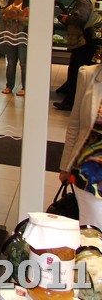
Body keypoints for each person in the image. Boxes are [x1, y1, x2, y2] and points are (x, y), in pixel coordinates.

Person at [59, 63, 102, 227]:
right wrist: (65, 166)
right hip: (89, 173)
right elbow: (75, 124)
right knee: (92, 233)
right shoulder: (89, 74)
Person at [54, 0, 100, 111]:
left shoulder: (84, 0)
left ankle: (70, 102)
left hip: (83, 41)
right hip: (92, 40)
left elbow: (80, 18)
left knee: (76, 71)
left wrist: (67, 19)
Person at [0, 0, 29, 96]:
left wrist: (17, 16)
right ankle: (9, 86)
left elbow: (29, 20)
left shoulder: (29, 0)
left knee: (23, 62)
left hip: (23, 35)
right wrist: (6, 16)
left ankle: (25, 87)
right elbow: (4, 15)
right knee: (11, 62)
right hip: (10, 34)